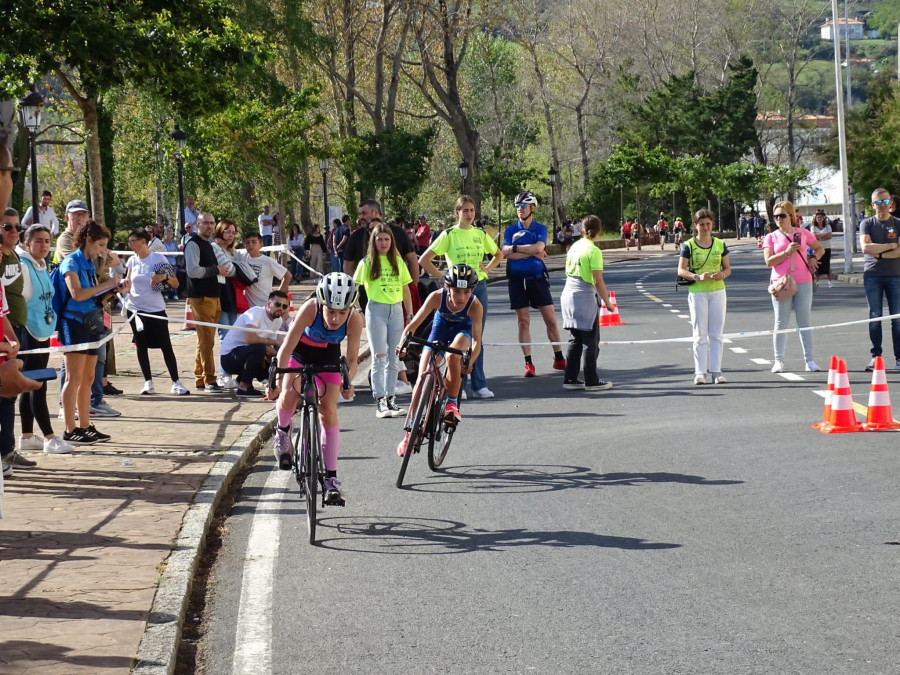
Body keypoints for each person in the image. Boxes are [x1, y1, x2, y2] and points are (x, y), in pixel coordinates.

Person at [268, 273, 362, 505]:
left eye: (342, 312)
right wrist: (278, 381)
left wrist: (348, 384)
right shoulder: (310, 309)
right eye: (331, 311)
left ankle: (330, 479)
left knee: (328, 411)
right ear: (321, 303)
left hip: (329, 356)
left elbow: (351, 359)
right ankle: (283, 431)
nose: (336, 318)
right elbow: (286, 348)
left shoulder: (355, 319)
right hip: (301, 352)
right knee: (290, 393)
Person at [395, 264, 483, 457]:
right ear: (446, 287)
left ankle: (451, 403)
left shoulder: (475, 305)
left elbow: (477, 340)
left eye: (466, 292)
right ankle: (410, 431)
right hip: (440, 329)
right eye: (456, 291)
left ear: (472, 291)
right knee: (421, 378)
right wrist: (403, 342)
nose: (461, 297)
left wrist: (471, 361)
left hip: (463, 331)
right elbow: (413, 325)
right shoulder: (436, 297)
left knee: (453, 355)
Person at [420, 195, 502, 399]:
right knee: (456, 336)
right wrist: (444, 279)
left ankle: (479, 383)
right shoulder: (449, 234)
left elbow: (498, 254)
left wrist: (487, 269)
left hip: (477, 287)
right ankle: (458, 384)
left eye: (472, 210)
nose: (469, 214)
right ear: (457, 213)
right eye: (465, 210)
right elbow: (425, 260)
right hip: (455, 290)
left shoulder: (480, 234)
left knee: (476, 336)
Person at [59, 220, 131, 445]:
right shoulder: (71, 262)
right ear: (88, 240)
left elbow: (94, 298)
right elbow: (77, 294)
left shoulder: (90, 264)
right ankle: (70, 429)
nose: (102, 251)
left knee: (89, 378)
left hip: (91, 322)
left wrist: (113, 291)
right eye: (100, 245)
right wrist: (107, 283)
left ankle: (85, 425)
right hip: (74, 323)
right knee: (73, 378)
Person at [17, 225, 73, 455]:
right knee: (36, 385)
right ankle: (50, 438)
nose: (44, 245)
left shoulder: (42, 265)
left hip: (43, 330)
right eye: (38, 241)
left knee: (30, 385)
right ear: (27, 243)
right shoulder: (23, 266)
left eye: (47, 241)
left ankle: (27, 436)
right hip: (26, 332)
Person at [352, 223, 413, 418]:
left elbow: (405, 289)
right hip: (376, 310)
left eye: (387, 239)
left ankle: (391, 399)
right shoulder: (367, 262)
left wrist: (410, 315)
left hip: (396, 311)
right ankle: (380, 401)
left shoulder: (398, 261)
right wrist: (358, 309)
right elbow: (354, 287)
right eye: (380, 239)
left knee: (394, 357)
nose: (384, 243)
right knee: (379, 357)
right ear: (374, 241)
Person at [502, 191, 565, 377]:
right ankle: (528, 363)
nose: (519, 210)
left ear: (532, 208)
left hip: (537, 277)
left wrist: (516, 248)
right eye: (517, 206)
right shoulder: (510, 230)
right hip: (516, 278)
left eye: (523, 206)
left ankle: (559, 357)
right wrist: (530, 252)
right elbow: (507, 253)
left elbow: (539, 247)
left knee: (551, 319)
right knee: (523, 322)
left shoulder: (540, 228)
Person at [124, 229, 190, 396]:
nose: (131, 244)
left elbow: (175, 283)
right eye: (129, 241)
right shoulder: (132, 261)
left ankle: (176, 381)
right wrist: (121, 287)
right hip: (135, 310)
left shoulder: (158, 258)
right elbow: (128, 283)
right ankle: (148, 382)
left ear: (143, 241)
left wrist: (163, 277)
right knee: (141, 346)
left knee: (165, 346)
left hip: (155, 310)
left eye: (134, 241)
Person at [763, 200, 825, 374]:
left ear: (791, 216)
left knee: (804, 321)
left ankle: (809, 360)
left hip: (804, 280)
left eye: (782, 216)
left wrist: (813, 257)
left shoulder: (803, 233)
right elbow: (769, 261)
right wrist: (786, 252)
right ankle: (778, 360)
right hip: (781, 283)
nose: (779, 219)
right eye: (775, 217)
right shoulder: (771, 237)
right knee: (781, 321)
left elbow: (820, 249)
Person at [560, 215, 614, 391]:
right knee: (591, 340)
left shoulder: (574, 246)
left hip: (568, 293)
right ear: (599, 231)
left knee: (575, 338)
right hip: (584, 296)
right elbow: (598, 281)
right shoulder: (594, 250)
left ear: (582, 229)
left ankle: (570, 378)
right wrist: (608, 302)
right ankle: (591, 380)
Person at [677, 209, 731, 385]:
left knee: (716, 333)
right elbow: (681, 270)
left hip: (718, 291)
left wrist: (721, 274)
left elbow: (728, 268)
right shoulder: (689, 245)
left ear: (712, 224)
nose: (705, 227)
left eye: (708, 224)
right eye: (701, 224)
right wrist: (697, 277)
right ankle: (699, 372)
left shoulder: (720, 244)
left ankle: (716, 371)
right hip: (698, 292)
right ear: (695, 226)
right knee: (699, 334)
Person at [185, 212, 230, 392]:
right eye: (205, 223)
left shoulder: (209, 245)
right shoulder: (193, 244)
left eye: (212, 223)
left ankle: (200, 378)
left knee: (204, 339)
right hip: (201, 297)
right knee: (207, 340)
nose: (209, 226)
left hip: (214, 295)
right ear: (198, 224)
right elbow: (193, 271)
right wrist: (216, 270)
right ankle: (210, 380)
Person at [860, 188, 900, 371]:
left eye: (885, 202)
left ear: (890, 203)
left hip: (895, 275)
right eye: (879, 202)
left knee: (897, 318)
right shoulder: (867, 224)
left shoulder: (898, 223)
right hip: (873, 275)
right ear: (872, 205)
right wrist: (891, 246)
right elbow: (866, 249)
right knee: (875, 316)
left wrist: (881, 253)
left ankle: (899, 357)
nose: (883, 206)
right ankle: (876, 356)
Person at [221, 290, 287, 398]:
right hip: (229, 358)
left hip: (245, 354)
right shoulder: (256, 312)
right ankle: (244, 387)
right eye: (278, 304)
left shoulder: (278, 321)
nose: (281, 308)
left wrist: (282, 357)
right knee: (259, 349)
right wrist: (274, 342)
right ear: (269, 304)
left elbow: (268, 348)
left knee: (272, 359)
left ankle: (264, 384)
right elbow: (250, 339)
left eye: (284, 306)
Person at [212, 220, 239, 389]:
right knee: (225, 335)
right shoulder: (215, 247)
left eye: (233, 232)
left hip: (231, 295)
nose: (231, 235)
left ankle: (227, 372)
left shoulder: (230, 251)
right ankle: (224, 374)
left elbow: (232, 268)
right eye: (227, 231)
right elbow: (231, 269)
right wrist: (236, 267)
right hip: (220, 295)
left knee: (232, 335)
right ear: (220, 231)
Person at [235, 230, 291, 308]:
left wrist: (277, 295)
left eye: (254, 242)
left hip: (265, 306)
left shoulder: (268, 261)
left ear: (261, 245)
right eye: (247, 242)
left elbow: (287, 276)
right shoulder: (242, 257)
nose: (250, 245)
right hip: (249, 308)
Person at [810, 210, 834, 289]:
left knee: (827, 265)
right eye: (818, 217)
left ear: (824, 218)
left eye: (821, 217)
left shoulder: (828, 226)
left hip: (827, 248)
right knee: (817, 265)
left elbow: (829, 236)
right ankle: (817, 282)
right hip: (816, 248)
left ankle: (830, 282)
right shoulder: (813, 227)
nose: (819, 219)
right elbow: (814, 237)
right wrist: (823, 235)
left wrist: (819, 237)